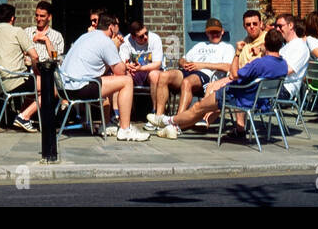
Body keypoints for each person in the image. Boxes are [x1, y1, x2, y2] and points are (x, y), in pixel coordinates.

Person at [150, 28, 289, 138]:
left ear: (265, 43)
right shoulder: (283, 64)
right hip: (260, 101)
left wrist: (238, 53)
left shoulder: (259, 63)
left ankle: (167, 121)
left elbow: (234, 74)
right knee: (202, 109)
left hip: (237, 96)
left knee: (198, 107)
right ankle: (173, 126)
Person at [59, 12, 150, 141]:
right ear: (111, 27)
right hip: (78, 88)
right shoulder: (106, 41)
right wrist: (116, 47)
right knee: (127, 81)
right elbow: (120, 72)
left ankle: (107, 123)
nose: (119, 28)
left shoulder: (86, 36)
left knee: (109, 78)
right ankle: (125, 129)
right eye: (117, 24)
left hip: (64, 88)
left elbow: (101, 68)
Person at [156, 18, 235, 117]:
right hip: (188, 71)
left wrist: (201, 65)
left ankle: (178, 120)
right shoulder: (199, 45)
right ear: (207, 33)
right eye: (211, 32)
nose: (215, 35)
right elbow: (182, 59)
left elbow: (227, 67)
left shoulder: (227, 47)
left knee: (187, 82)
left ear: (222, 32)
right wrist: (184, 63)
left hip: (206, 76)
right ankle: (158, 117)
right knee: (164, 75)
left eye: (217, 32)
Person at [0, 4, 39, 131]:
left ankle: (22, 116)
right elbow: (35, 56)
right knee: (48, 86)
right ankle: (24, 116)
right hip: (16, 81)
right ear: (12, 18)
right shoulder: (17, 31)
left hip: (0, 84)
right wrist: (37, 73)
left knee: (36, 85)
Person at [118, 21, 164, 100]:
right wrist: (127, 66)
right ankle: (128, 110)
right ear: (133, 37)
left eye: (146, 33)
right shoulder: (126, 41)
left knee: (154, 75)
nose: (145, 37)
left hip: (152, 71)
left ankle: (155, 110)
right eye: (141, 36)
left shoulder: (155, 38)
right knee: (124, 77)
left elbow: (157, 64)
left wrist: (141, 68)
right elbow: (123, 63)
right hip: (134, 73)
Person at [273, 13, 311, 100]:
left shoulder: (301, 47)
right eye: (276, 26)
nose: (277, 29)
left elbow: (288, 70)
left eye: (280, 26)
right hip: (274, 84)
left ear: (290, 25)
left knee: (247, 93)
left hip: (286, 88)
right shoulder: (284, 46)